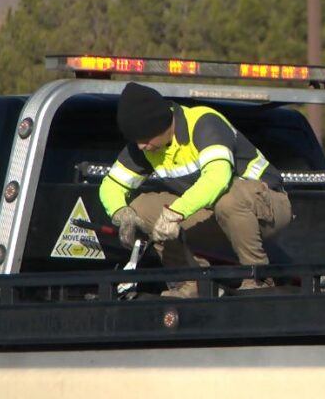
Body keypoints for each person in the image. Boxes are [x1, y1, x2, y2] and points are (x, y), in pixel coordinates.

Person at [99, 82, 293, 298]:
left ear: (162, 124)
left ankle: (258, 278)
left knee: (228, 198)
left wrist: (176, 212)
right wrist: (120, 213)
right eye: (136, 140)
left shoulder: (204, 124)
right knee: (141, 208)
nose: (141, 146)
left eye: (145, 138)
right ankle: (191, 283)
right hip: (215, 217)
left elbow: (217, 178)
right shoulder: (144, 146)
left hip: (267, 209)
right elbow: (111, 184)